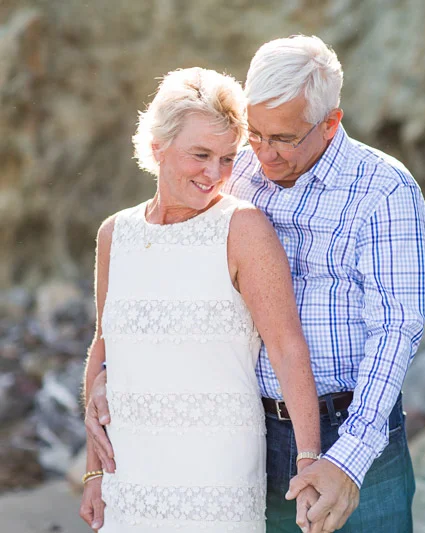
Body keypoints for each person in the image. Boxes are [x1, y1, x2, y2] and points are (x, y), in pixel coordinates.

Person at [86, 35, 425, 533]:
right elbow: (165, 273)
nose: (263, 155)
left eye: (284, 139)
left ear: (330, 123)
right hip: (250, 432)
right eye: (255, 134)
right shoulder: (234, 166)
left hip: (348, 424)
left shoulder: (383, 190)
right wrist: (109, 374)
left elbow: (396, 330)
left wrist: (344, 457)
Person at [79, 67, 321, 532]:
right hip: (127, 473)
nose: (215, 174)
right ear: (157, 147)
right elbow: (103, 349)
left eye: (228, 158)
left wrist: (307, 460)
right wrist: (93, 471)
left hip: (216, 474)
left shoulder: (243, 229)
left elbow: (288, 348)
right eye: (201, 155)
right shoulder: (115, 234)